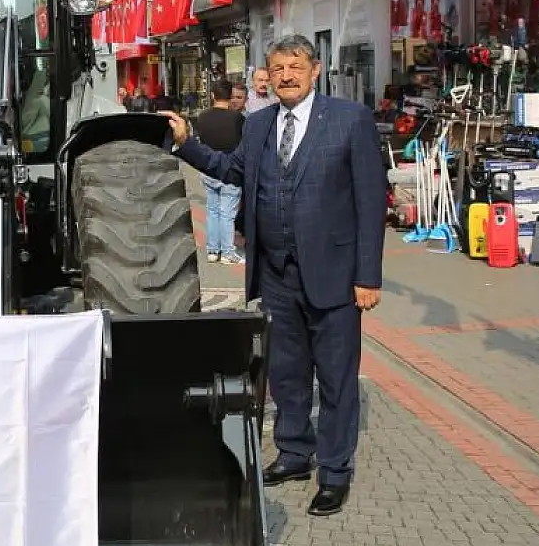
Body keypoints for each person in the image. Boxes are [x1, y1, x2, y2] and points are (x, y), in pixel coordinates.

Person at [161, 35, 385, 517]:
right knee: (286, 374)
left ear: (315, 71)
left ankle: (334, 472)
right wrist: (186, 144)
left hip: (335, 276)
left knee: (336, 379)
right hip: (277, 275)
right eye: (278, 68)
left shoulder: (350, 120)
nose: (286, 76)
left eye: (296, 67)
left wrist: (368, 276)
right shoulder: (260, 124)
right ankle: (294, 453)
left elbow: (371, 203)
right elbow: (230, 170)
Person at [192, 80, 246, 264]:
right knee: (227, 214)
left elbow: (200, 141)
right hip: (230, 169)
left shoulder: (202, 117)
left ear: (212, 95)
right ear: (230, 96)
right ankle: (228, 252)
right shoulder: (237, 118)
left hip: (208, 168)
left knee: (212, 211)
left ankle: (213, 250)